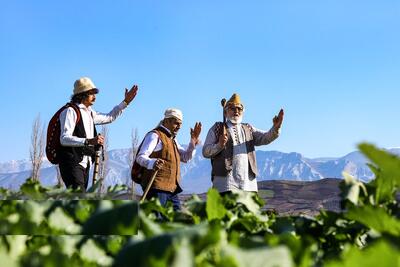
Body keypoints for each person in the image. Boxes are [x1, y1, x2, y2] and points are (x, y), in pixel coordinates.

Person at [59, 77, 138, 191]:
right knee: (78, 199)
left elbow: (109, 117)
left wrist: (125, 102)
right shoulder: (70, 111)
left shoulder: (90, 113)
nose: (95, 97)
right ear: (82, 94)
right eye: (91, 93)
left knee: (79, 200)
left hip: (85, 163)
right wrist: (89, 141)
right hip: (71, 162)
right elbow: (64, 138)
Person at [202, 93, 284, 194]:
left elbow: (265, 138)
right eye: (232, 108)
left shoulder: (248, 128)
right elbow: (205, 152)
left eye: (239, 109)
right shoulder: (217, 128)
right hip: (226, 185)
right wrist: (219, 145)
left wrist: (276, 127)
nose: (236, 111)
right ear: (225, 112)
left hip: (248, 185)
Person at [134, 108, 201, 210]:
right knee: (158, 221)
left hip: (172, 189)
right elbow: (140, 157)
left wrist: (193, 141)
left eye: (180, 124)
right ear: (167, 121)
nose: (179, 127)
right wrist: (152, 163)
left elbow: (185, 157)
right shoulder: (155, 135)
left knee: (176, 220)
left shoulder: (173, 140)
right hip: (157, 188)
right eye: (176, 123)